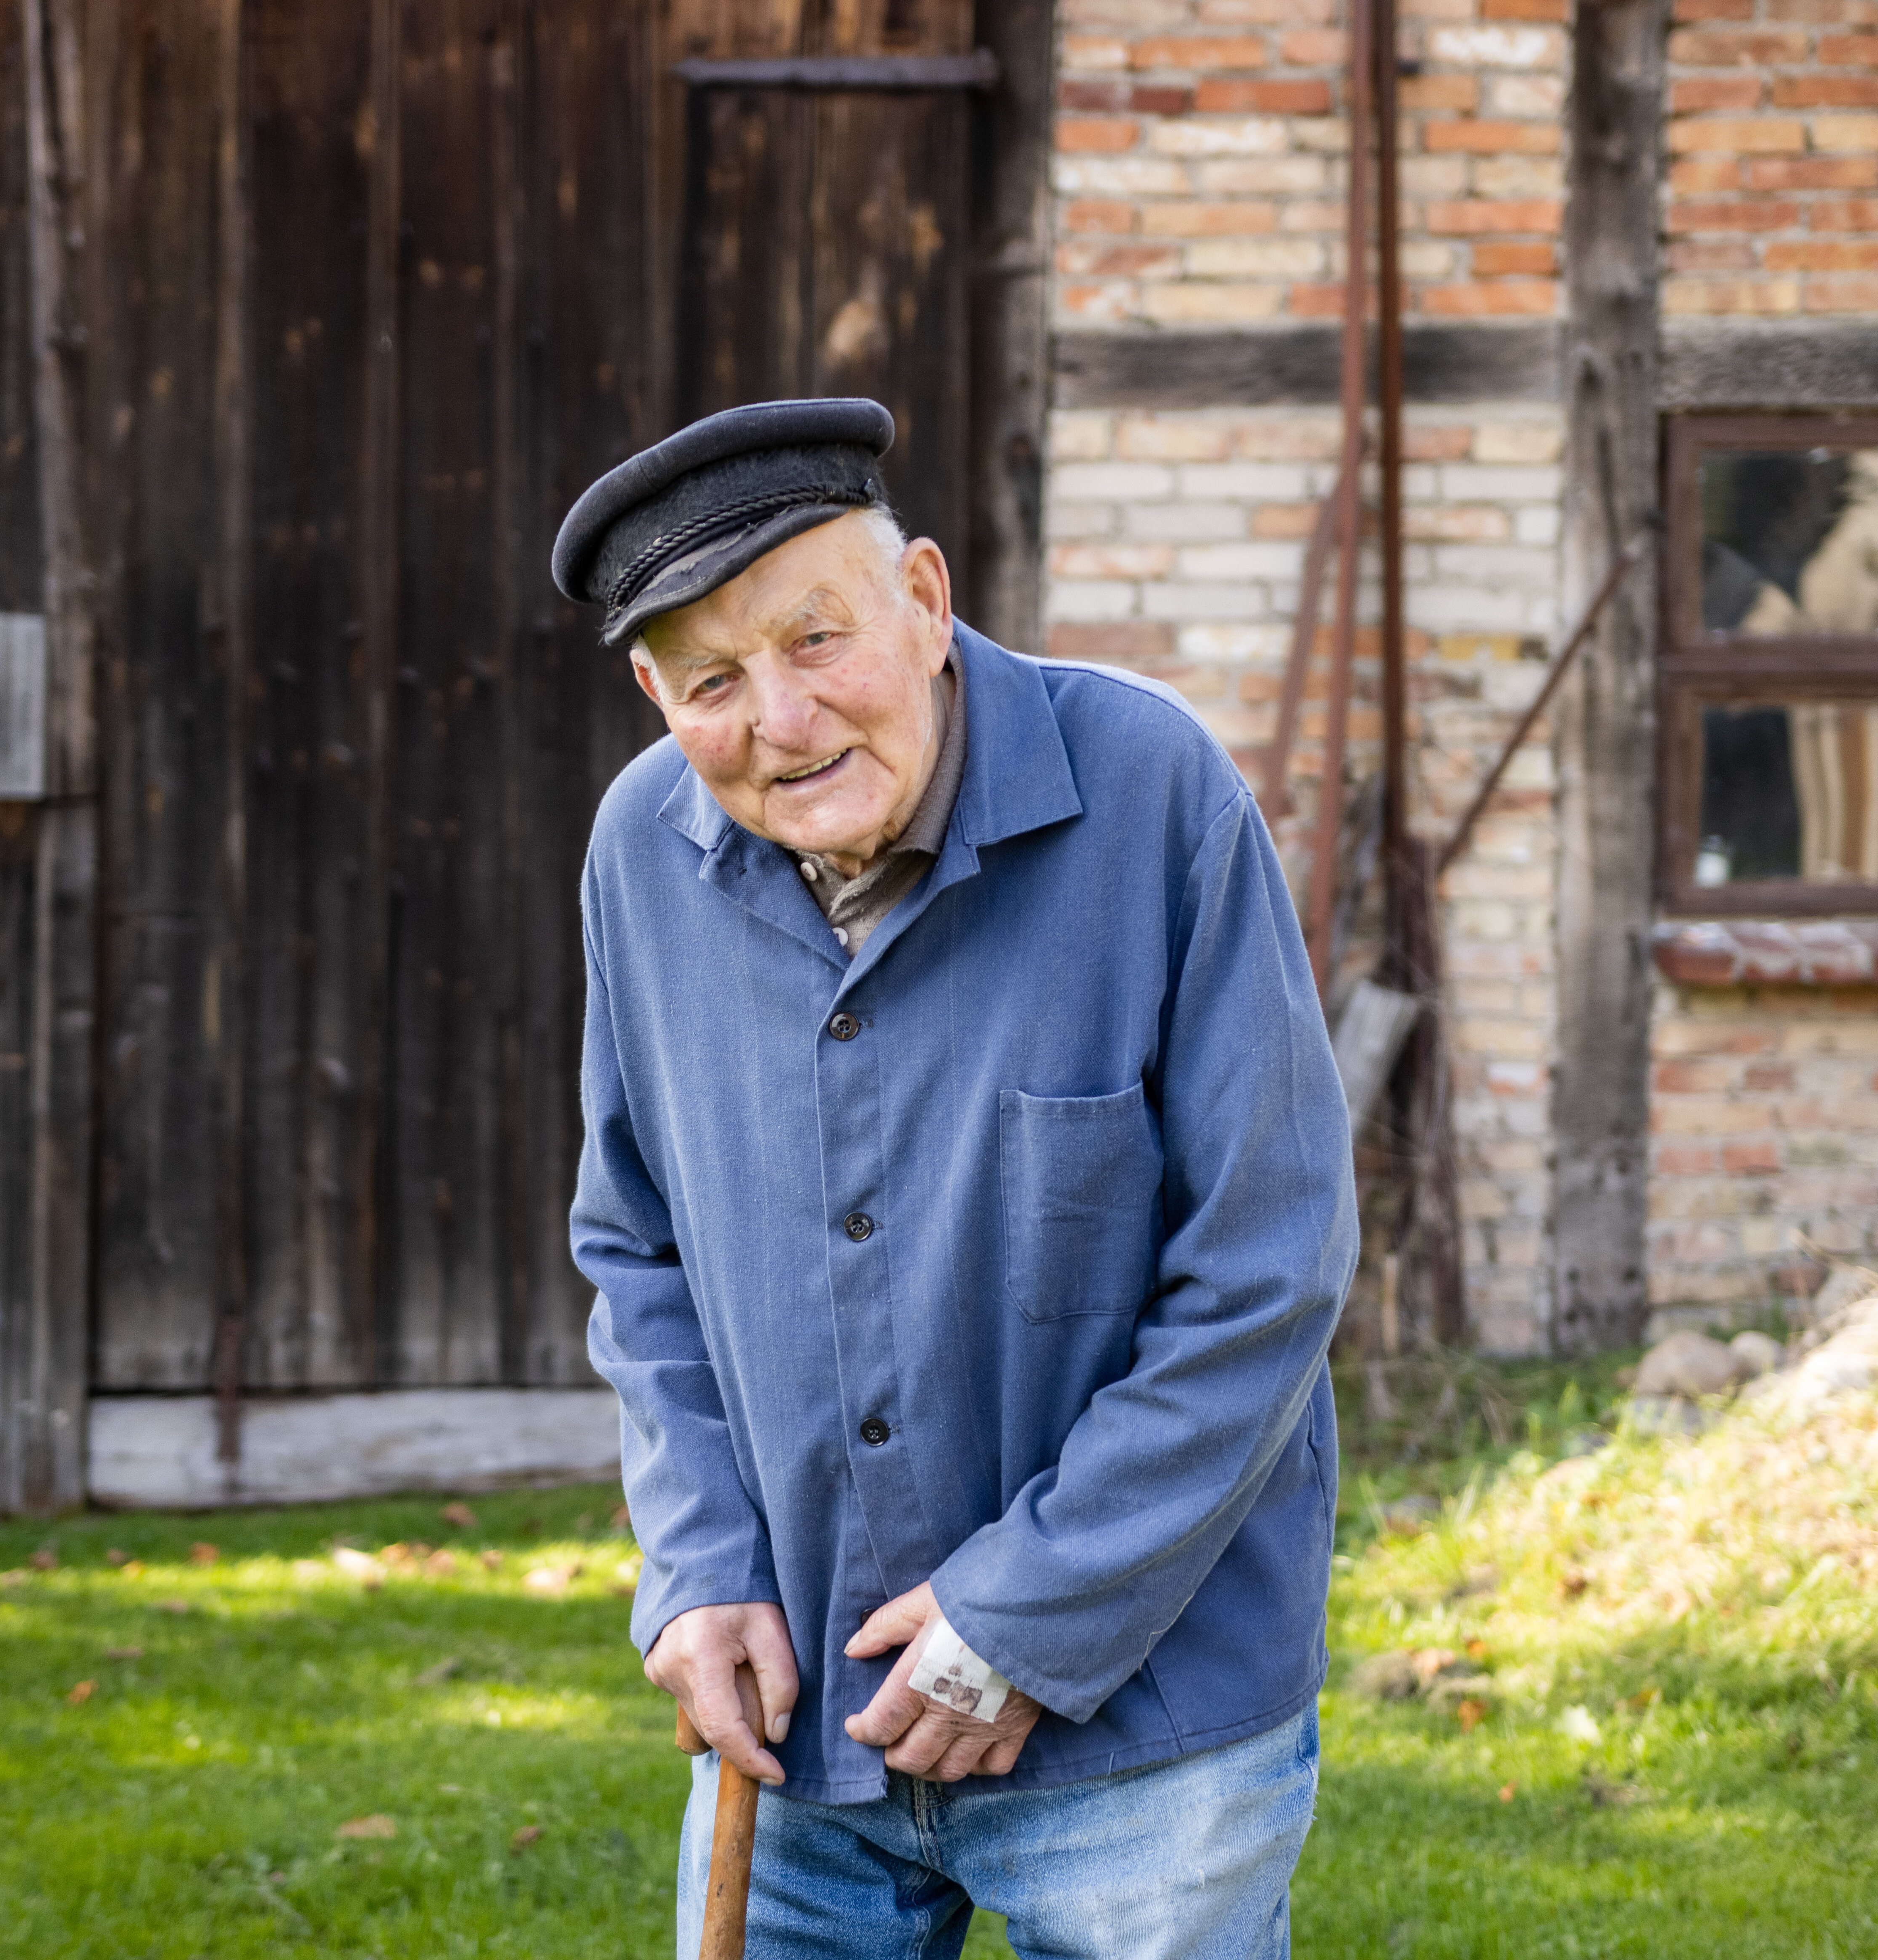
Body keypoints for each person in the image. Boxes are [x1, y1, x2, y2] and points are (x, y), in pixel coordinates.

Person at [555, 398, 1356, 1959]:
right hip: (802, 1734)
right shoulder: (638, 856)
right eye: (713, 681)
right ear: (656, 698)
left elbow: (1270, 1263)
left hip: (1153, 1731)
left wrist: (1026, 1616)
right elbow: (636, 1247)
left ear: (925, 602)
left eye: (816, 640)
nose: (781, 719)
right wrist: (703, 1567)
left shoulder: (1156, 793)